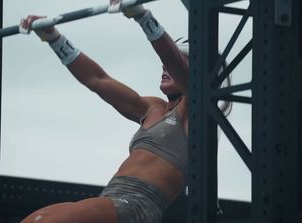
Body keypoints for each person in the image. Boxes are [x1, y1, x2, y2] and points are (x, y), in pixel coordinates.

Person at [18, 2, 195, 223]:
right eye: (163, 64)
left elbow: (175, 63)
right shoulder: (152, 108)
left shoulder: (195, 111)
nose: (164, 68)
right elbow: (98, 80)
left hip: (138, 207)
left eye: (179, 61)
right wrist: (54, 38)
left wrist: (142, 16)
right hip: (112, 199)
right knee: (37, 219)